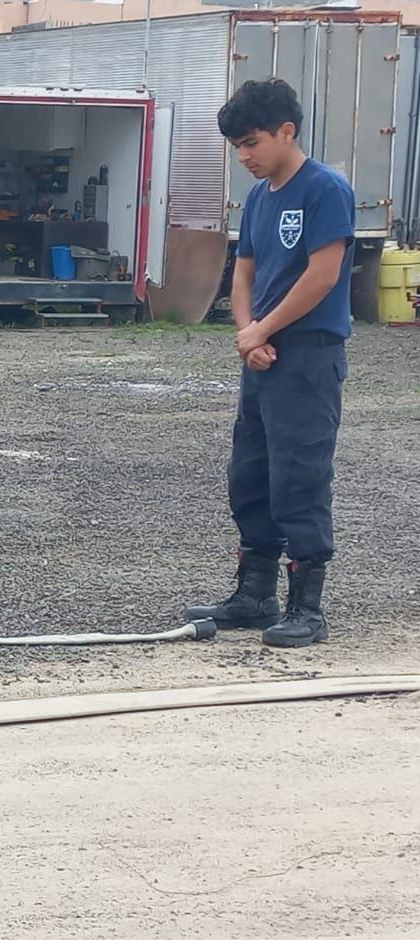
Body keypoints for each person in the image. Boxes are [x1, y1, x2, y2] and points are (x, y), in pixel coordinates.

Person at [184, 78, 354, 648]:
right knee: (251, 472)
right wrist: (246, 335)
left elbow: (323, 275)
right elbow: (245, 275)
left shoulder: (324, 189)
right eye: (236, 147)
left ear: (288, 131)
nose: (245, 156)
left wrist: (264, 328)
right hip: (261, 356)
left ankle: (308, 606)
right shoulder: (259, 198)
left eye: (252, 142)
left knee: (299, 474)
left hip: (308, 355)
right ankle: (254, 594)